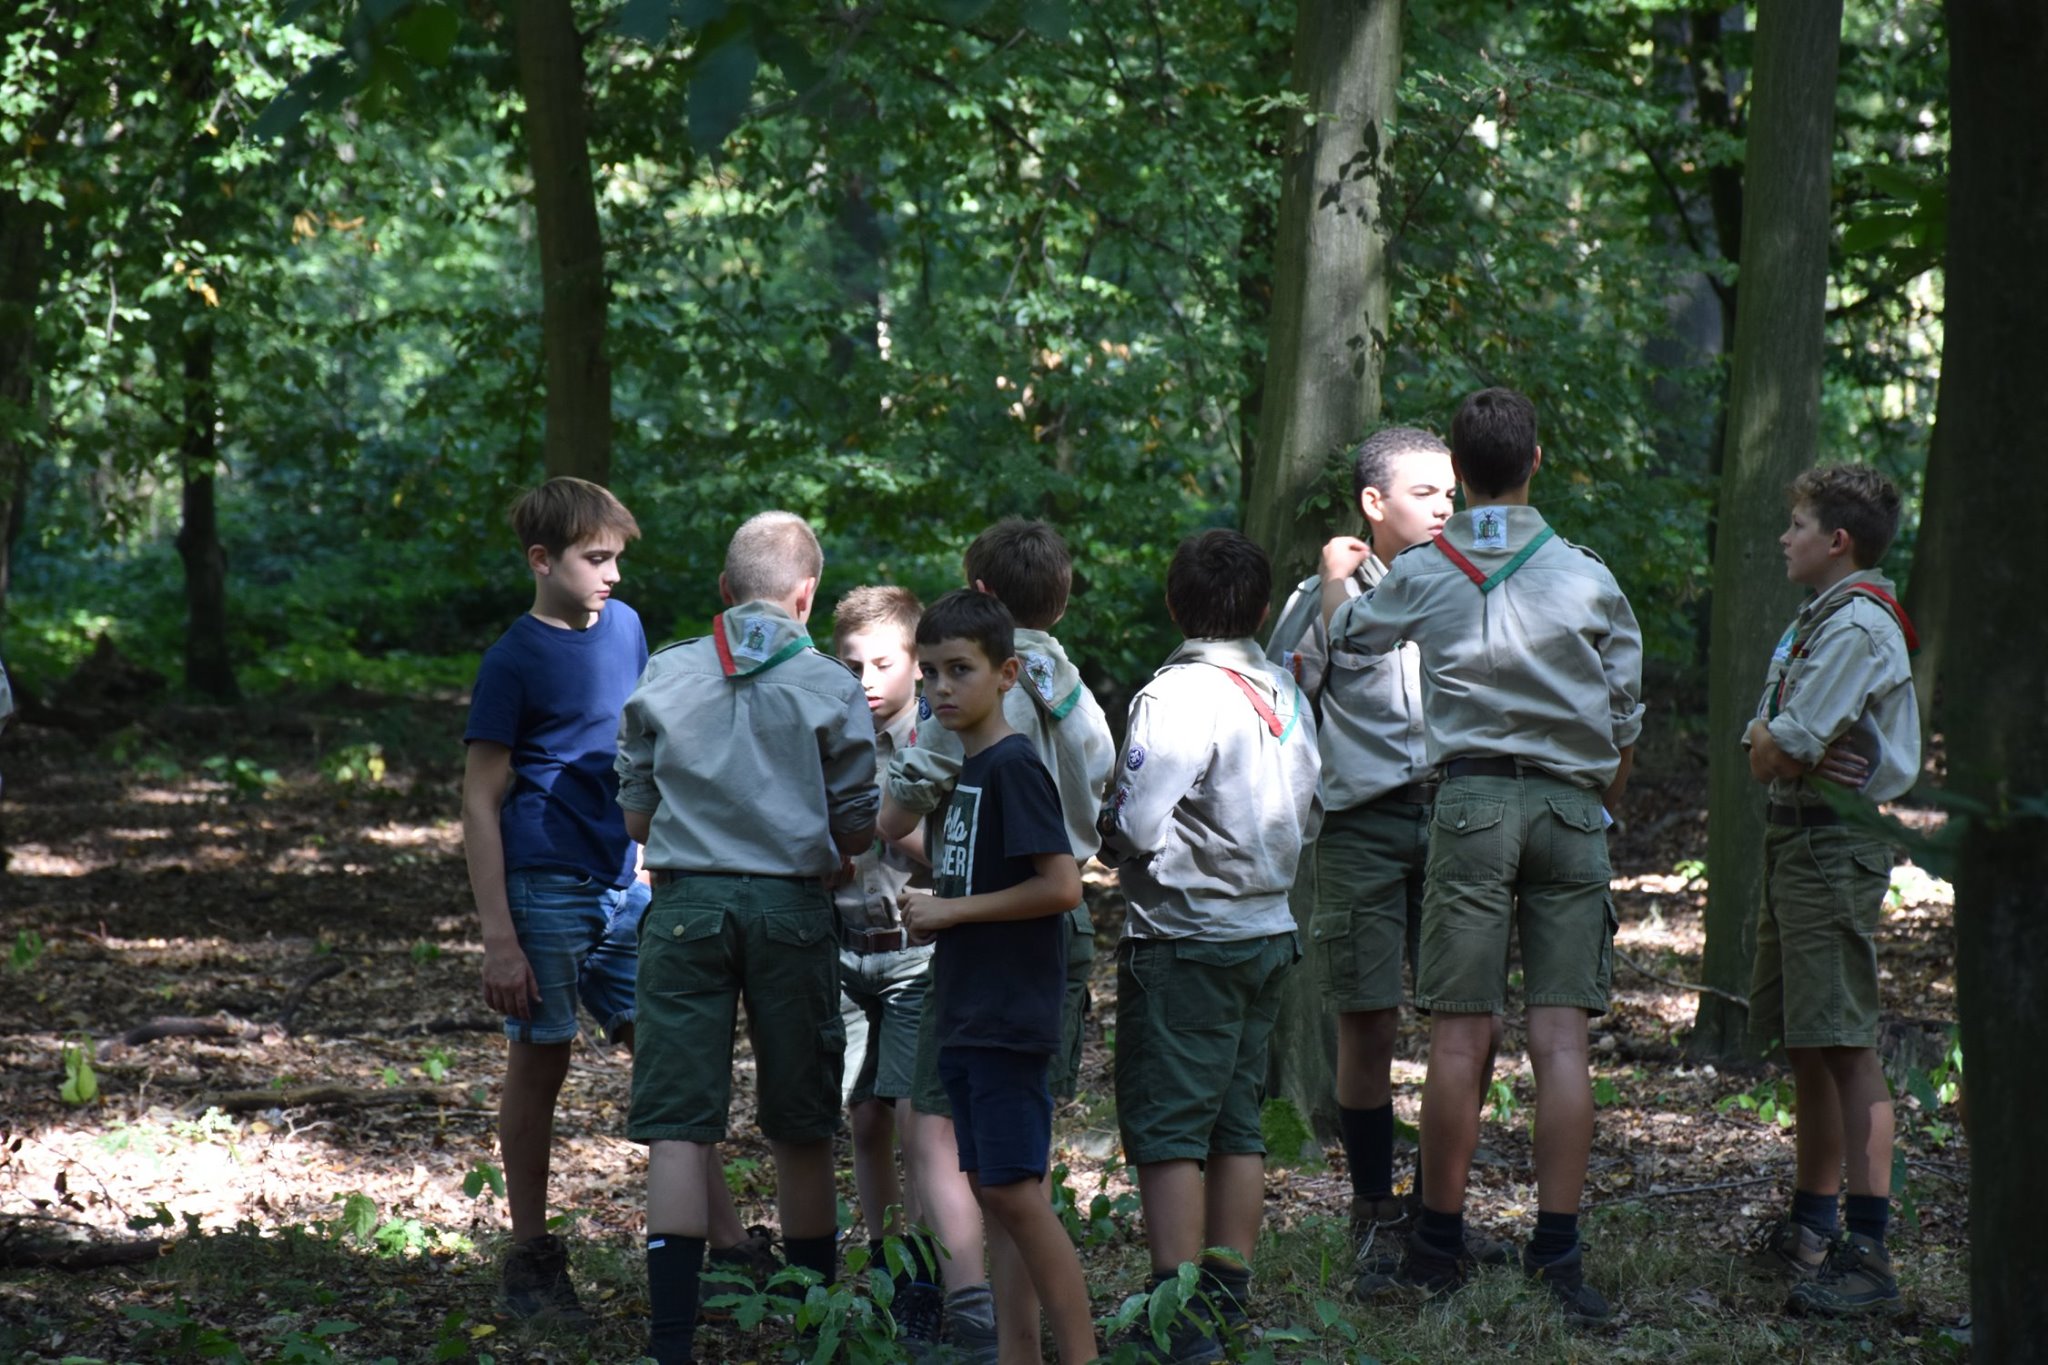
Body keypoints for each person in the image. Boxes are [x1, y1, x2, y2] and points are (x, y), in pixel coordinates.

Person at [1325, 388, 1643, 1325]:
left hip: (1467, 806)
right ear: (1535, 460)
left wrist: (1340, 580)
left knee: (1459, 1035)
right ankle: (1559, 1252)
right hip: (1571, 807)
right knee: (1561, 1039)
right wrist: (1596, 790)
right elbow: (1625, 714)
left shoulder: (1428, 571)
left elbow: (1350, 639)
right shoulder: (1587, 575)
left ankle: (1435, 1244)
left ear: (1458, 473)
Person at [615, 511, 878, 1365]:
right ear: (807, 596)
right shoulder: (830, 683)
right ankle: (811, 1330)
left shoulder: (667, 669)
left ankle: (671, 1341)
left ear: (724, 590)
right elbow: (857, 826)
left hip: (684, 906)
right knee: (800, 1118)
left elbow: (636, 816)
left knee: (679, 1123)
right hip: (790, 911)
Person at [1264, 427, 1508, 1281]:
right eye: (1424, 492)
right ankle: (1372, 1206)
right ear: (1374, 503)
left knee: (1473, 1021)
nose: (1445, 506)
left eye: (1451, 492)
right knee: (1366, 1021)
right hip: (1362, 825)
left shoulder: (1474, 586)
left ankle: (1442, 1208)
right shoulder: (1318, 597)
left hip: (1461, 818)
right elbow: (1283, 710)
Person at [882, 519, 1114, 1359]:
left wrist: (950, 911)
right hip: (971, 998)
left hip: (1011, 1007)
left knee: (1017, 1189)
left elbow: (1061, 884)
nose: (941, 689)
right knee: (995, 1184)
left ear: (1005, 671)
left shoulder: (1013, 764)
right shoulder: (974, 766)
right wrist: (940, 898)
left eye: (960, 670)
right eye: (930, 673)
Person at [1097, 530, 1321, 1362]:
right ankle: (1227, 1297)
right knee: (1235, 1124)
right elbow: (1314, 809)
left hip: (1186, 937)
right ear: (1262, 609)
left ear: (1172, 603)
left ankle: (1177, 1314)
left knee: (1168, 1127)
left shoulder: (1177, 693)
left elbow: (1134, 820)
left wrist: (1107, 840)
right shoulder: (1285, 690)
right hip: (1266, 931)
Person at [461, 477, 651, 1323]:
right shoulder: (513, 659)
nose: (613, 574)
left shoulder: (628, 627)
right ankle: (531, 1259)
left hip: (623, 883)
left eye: (617, 557)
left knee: (669, 1051)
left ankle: (719, 1245)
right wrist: (499, 937)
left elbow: (640, 749)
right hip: (544, 884)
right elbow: (479, 798)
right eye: (596, 558)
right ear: (542, 560)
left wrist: (647, 858)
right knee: (542, 1062)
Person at [1742, 464, 1919, 1318]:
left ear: (1838, 540)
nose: (1786, 536)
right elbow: (1768, 738)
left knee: (1846, 1041)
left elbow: (1784, 746)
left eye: (1800, 524)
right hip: (1799, 836)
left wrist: (1771, 742)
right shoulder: (1818, 617)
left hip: (1832, 845)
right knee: (1809, 1041)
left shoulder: (1855, 625)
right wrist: (1769, 739)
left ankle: (1870, 1252)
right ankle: (1812, 1227)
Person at [829, 586, 941, 1292]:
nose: (865, 680)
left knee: (914, 1117)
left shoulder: (938, 741)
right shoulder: (831, 741)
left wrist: (883, 817)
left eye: (881, 663)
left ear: (918, 664)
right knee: (864, 1115)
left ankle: (925, 1267)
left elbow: (955, 854)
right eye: (851, 666)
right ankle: (883, 1254)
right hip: (845, 949)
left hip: (915, 955)